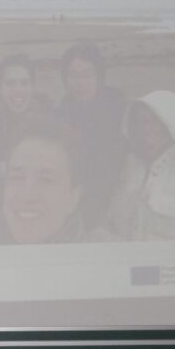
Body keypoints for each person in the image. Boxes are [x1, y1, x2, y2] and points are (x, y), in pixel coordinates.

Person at [0, 117, 105, 245]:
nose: (27, 195)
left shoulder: (104, 254)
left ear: (73, 198)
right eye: (17, 177)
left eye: (46, 180)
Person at [106, 89, 175, 240]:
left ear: (171, 125)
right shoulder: (128, 162)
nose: (147, 130)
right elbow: (111, 220)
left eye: (156, 122)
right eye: (144, 122)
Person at [54, 39, 127, 226]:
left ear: (99, 77)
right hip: (80, 199)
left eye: (87, 74)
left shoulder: (118, 108)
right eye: (73, 75)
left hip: (120, 192)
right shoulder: (61, 115)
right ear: (65, 79)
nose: (80, 82)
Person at [0, 54, 54, 166]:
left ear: (33, 87)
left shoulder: (48, 117)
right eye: (10, 83)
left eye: (24, 83)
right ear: (0, 87)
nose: (18, 90)